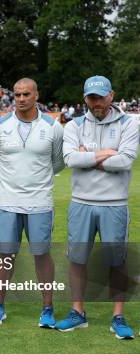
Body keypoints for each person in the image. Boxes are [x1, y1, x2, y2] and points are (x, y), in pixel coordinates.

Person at [56, 75, 138, 339]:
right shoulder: (74, 125)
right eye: (92, 98)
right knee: (77, 258)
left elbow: (125, 161)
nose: (97, 103)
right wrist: (105, 154)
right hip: (81, 202)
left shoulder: (129, 123)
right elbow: (70, 158)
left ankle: (118, 316)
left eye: (101, 97)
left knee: (118, 260)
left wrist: (88, 158)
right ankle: (77, 313)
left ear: (111, 96)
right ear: (85, 99)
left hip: (114, 203)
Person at [0, 78, 64, 327]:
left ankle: (47, 308)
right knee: (5, 255)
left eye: (26, 94)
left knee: (41, 254)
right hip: (8, 201)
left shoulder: (53, 127)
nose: (20, 99)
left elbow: (58, 162)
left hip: (40, 202)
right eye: (17, 95)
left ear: (36, 95)